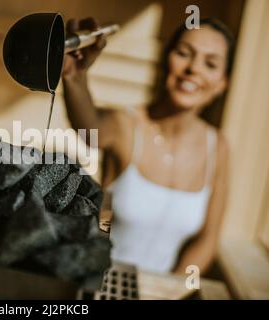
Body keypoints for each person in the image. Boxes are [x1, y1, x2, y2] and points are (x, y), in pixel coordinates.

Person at [62, 17, 235, 275]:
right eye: (184, 54)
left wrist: (173, 290)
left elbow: (207, 241)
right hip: (98, 281)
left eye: (210, 64)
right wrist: (74, 75)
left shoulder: (218, 148)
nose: (194, 69)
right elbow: (88, 128)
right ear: (166, 60)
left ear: (222, 83)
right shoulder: (126, 125)